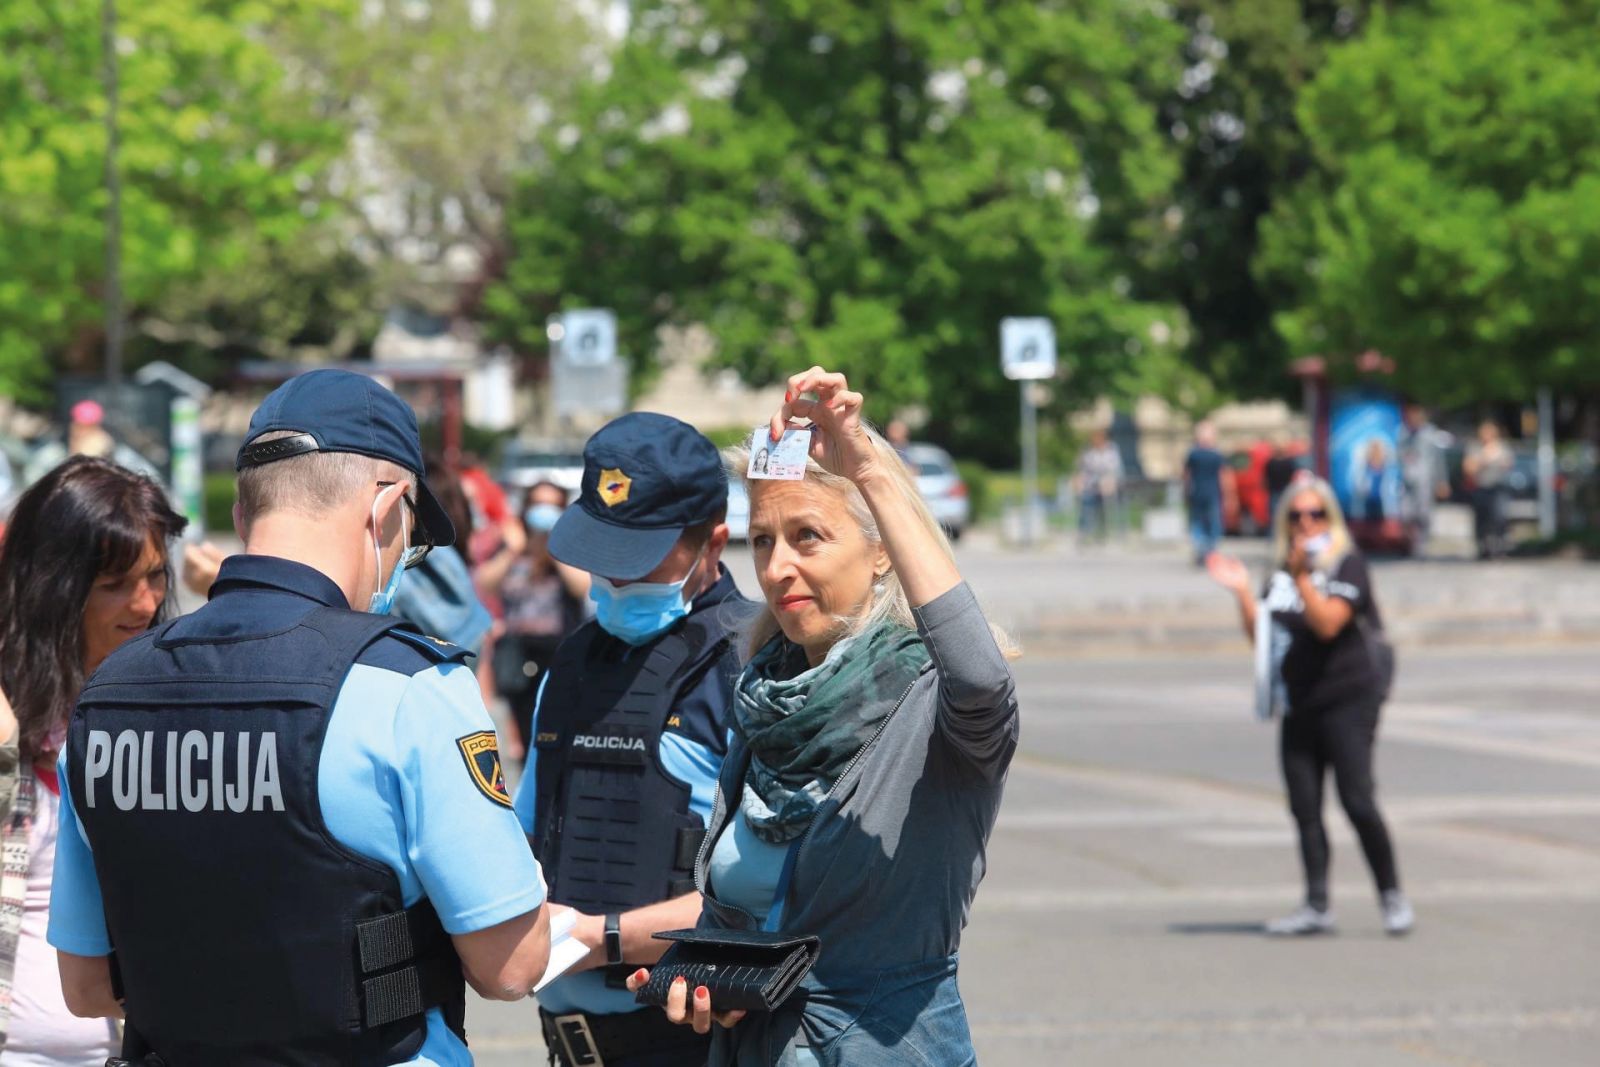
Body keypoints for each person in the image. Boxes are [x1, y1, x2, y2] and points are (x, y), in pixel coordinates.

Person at [48, 370, 551, 1065]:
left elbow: (86, 983)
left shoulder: (107, 696)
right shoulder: (410, 686)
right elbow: (512, 965)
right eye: (410, 535)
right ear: (387, 506)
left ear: (251, 512)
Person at [625, 368, 1020, 1065]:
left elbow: (983, 677)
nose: (776, 568)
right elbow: (747, 914)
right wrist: (717, 977)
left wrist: (868, 467)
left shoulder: (934, 703)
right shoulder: (764, 697)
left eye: (807, 536)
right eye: (763, 540)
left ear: (880, 553)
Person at [511, 413, 748, 1067]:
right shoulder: (570, 660)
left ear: (715, 543)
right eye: (601, 558)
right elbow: (524, 838)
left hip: (692, 1047)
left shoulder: (752, 665)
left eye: (636, 563)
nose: (613, 582)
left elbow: (775, 893)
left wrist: (600, 937)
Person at [0, 457, 184, 1067]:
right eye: (113, 585)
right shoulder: (11, 722)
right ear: (51, 587)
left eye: (156, 576)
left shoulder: (167, 702)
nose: (145, 603)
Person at [1206, 477, 1411, 938]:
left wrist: (1303, 576)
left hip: (1348, 699)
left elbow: (1327, 624)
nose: (1305, 523)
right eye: (1295, 515)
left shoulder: (1347, 565)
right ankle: (1317, 904)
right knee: (1304, 807)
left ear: (1330, 517)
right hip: (1300, 703)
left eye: (1315, 514)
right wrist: (1241, 591)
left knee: (1357, 800)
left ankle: (1391, 895)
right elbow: (1261, 636)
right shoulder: (1281, 571)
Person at [478, 481, 588, 754]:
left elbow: (582, 587)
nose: (543, 511)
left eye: (552, 505)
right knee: (527, 736)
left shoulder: (570, 546)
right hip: (518, 655)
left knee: (559, 734)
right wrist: (514, 550)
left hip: (559, 651)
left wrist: (553, 548)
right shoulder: (513, 545)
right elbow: (485, 583)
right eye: (538, 503)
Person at [1396, 401, 1449, 556]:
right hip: (1407, 480)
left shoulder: (1430, 434)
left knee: (1424, 514)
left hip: (1426, 480)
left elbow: (1439, 460)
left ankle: (1421, 546)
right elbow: (1398, 455)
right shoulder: (1403, 433)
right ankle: (1409, 541)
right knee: (1405, 514)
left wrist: (1442, 481)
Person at [1463, 419, 1513, 559]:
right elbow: (1468, 468)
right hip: (1481, 487)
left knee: (1499, 517)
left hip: (1499, 488)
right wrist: (1484, 459)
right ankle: (1483, 547)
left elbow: (1508, 463)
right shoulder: (1475, 447)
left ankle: (1500, 546)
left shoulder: (1502, 447)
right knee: (1482, 519)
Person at [1183, 420, 1226, 564]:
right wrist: (1229, 495)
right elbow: (1223, 476)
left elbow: (1186, 475)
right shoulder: (1216, 454)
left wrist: (1186, 491)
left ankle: (1202, 551)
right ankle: (1210, 552)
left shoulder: (1193, 453)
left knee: (1198, 523)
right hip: (1212, 493)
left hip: (1197, 492)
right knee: (1212, 523)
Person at [1074, 427, 1123, 542]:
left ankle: (1105, 531)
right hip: (1091, 485)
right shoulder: (1088, 451)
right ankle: (1084, 531)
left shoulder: (1111, 450)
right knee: (1086, 502)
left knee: (1105, 504)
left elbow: (1113, 468)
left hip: (1107, 485)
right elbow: (1083, 467)